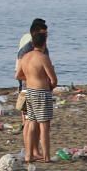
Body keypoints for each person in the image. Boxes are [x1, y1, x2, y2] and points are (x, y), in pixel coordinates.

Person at [15, 30, 57, 163]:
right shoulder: (43, 57)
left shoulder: (25, 57)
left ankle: (28, 155)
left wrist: (29, 77)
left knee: (32, 122)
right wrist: (48, 85)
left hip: (29, 91)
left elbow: (17, 75)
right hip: (41, 92)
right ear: (44, 43)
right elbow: (53, 79)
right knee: (44, 125)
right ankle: (46, 156)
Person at [15, 18, 47, 152]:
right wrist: (33, 80)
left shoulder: (43, 48)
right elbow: (18, 73)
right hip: (28, 89)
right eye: (44, 33)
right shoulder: (26, 49)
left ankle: (34, 151)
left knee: (34, 122)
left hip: (38, 89)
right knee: (29, 122)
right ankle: (31, 151)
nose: (46, 36)